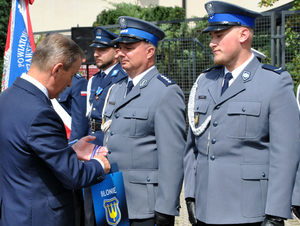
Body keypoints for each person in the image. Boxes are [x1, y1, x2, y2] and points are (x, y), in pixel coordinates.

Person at [183, 1, 300, 226]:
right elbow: (192, 147)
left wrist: (275, 213)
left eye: (219, 35)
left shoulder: (274, 82)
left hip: (251, 212)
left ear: (243, 34)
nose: (211, 43)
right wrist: (191, 194)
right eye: (211, 36)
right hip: (206, 211)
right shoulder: (205, 82)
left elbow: (285, 154)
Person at [0, 33, 111, 226]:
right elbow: (73, 176)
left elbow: (26, 156)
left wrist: (70, 152)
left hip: (14, 213)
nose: (70, 84)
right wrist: (100, 165)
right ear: (57, 70)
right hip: (40, 218)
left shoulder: (6, 98)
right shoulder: (40, 113)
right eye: (71, 75)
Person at [101, 16, 186, 226]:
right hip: (112, 199)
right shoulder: (116, 89)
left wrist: (166, 208)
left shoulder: (165, 92)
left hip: (145, 206)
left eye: (128, 47)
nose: (121, 53)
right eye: (120, 48)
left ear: (150, 51)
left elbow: (172, 158)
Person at [84, 27, 127, 226]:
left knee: (110, 207)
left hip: (109, 144)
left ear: (116, 51)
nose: (96, 53)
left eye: (102, 49)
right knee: (90, 207)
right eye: (95, 49)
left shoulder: (123, 77)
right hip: (93, 142)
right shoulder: (96, 79)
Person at [56, 73, 89, 142]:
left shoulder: (78, 82)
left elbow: (80, 121)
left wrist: (73, 145)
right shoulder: (48, 80)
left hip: (66, 140)